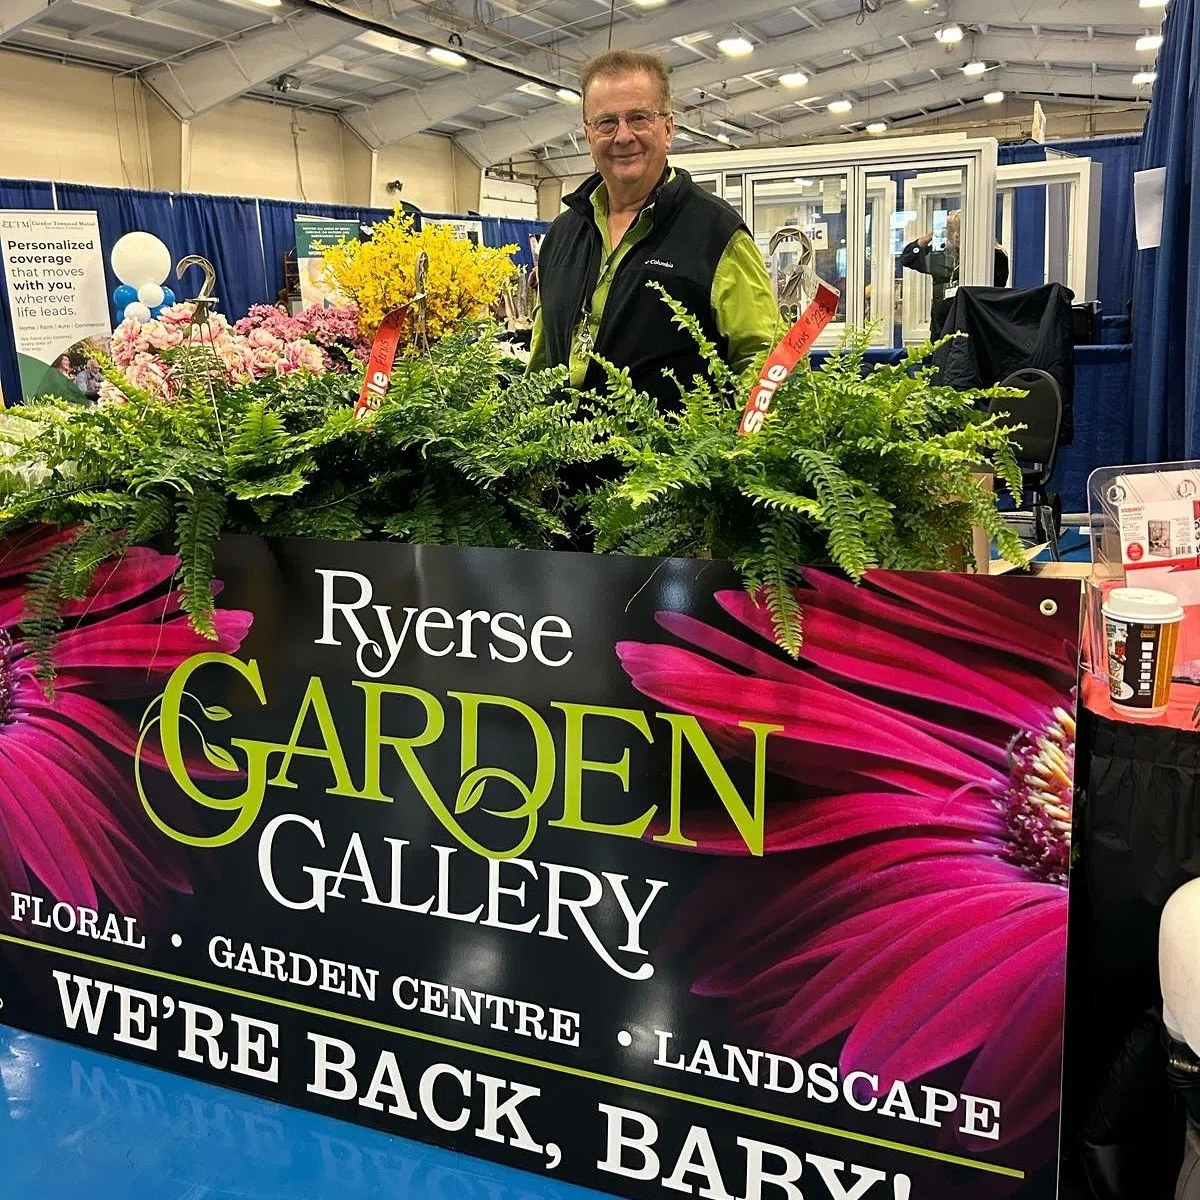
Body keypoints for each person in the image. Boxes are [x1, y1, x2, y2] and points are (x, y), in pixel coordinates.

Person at [528, 49, 781, 409]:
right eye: (606, 122)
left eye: (638, 118)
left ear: (668, 129)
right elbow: (541, 362)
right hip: (563, 446)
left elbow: (763, 363)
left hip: (678, 446)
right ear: (588, 136)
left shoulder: (717, 234)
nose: (623, 136)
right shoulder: (562, 235)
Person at [900, 210, 1010, 339]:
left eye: (960, 230)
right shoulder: (941, 255)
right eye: (951, 231)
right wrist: (931, 235)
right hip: (941, 329)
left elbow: (995, 291)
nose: (956, 235)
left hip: (973, 329)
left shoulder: (993, 255)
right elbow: (907, 258)